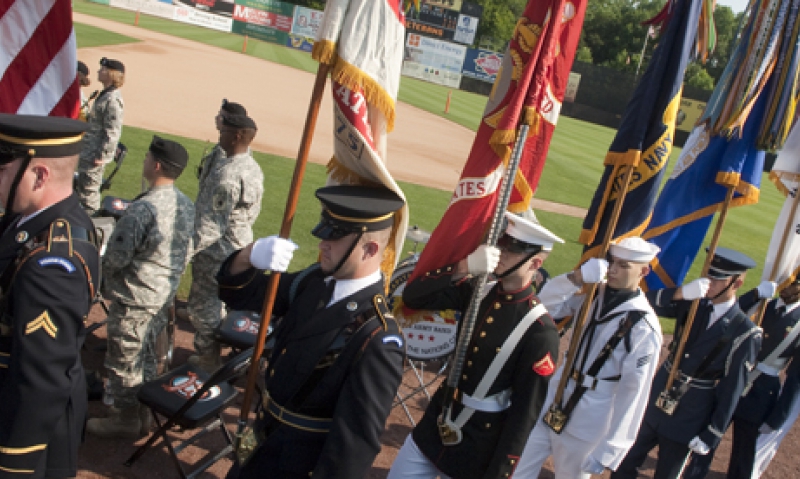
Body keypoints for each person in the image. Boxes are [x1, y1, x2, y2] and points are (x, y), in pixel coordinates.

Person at [219, 184, 406, 478]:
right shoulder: (313, 282)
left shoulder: (377, 336)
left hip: (296, 466)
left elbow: (353, 447)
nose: (322, 245)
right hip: (260, 441)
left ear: (370, 249)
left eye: (334, 239)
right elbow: (242, 295)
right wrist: (249, 256)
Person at [387, 210, 562, 479]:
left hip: (478, 446)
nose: (501, 252)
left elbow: (524, 414)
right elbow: (413, 297)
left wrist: (500, 472)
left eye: (513, 250)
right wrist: (463, 267)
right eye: (502, 243)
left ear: (535, 263)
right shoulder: (479, 291)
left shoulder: (540, 331)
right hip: (436, 422)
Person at [0, 114, 100, 477]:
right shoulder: (33, 219)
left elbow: (41, 379)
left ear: (39, 176)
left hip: (24, 435)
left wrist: (13, 462)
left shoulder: (52, 265)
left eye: (2, 169)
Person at [513, 237, 663, 478]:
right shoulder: (594, 293)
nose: (613, 270)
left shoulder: (644, 327)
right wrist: (576, 278)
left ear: (644, 271)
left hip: (590, 417)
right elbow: (545, 306)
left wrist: (611, 450)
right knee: (516, 470)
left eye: (624, 266)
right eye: (613, 262)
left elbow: (635, 391)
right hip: (554, 396)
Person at [612, 247, 762, 479]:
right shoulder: (692, 301)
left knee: (666, 474)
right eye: (708, 275)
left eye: (717, 279)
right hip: (656, 396)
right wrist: (681, 293)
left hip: (691, 412)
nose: (708, 282)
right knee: (623, 462)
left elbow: (733, 387)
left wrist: (713, 432)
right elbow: (644, 302)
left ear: (737, 283)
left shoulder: (745, 332)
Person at [85, 136, 195, 438]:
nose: (145, 161)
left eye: (147, 158)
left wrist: (102, 277)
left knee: (124, 358)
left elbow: (117, 257)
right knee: (146, 356)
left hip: (135, 297)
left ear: (156, 165)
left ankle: (125, 418)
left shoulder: (142, 209)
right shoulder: (185, 204)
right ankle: (142, 412)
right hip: (161, 295)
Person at [683, 277, 800, 479]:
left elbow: (796, 377)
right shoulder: (765, 304)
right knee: (708, 438)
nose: (788, 288)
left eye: (794, 285)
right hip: (733, 380)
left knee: (743, 453)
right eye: (787, 283)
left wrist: (778, 417)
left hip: (762, 392)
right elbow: (730, 313)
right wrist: (755, 294)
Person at [186, 111, 263, 372]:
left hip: (216, 251)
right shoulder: (251, 167)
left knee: (203, 305)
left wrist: (185, 251)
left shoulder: (228, 175)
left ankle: (207, 359)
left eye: (224, 131)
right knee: (223, 304)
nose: (220, 134)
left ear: (237, 136)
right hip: (240, 245)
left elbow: (212, 226)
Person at [75, 57, 125, 214]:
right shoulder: (105, 94)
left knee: (89, 195)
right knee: (81, 190)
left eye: (103, 70)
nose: (99, 71)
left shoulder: (112, 100)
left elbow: (113, 131)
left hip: (94, 156)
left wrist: (102, 156)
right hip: (88, 151)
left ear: (111, 74)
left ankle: (93, 228)